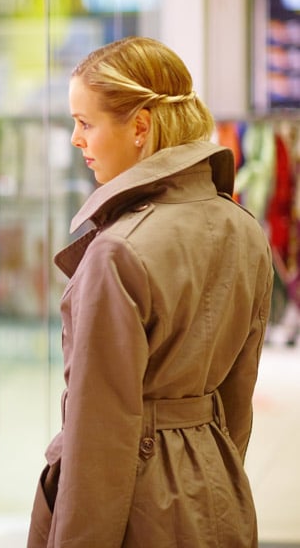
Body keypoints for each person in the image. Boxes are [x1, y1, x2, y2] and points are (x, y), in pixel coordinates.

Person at [27, 36, 274, 547]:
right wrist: (215, 470)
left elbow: (100, 437)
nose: (76, 139)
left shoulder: (118, 251)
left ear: (140, 126)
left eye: (85, 122)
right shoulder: (244, 228)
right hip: (219, 485)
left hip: (140, 508)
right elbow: (238, 398)